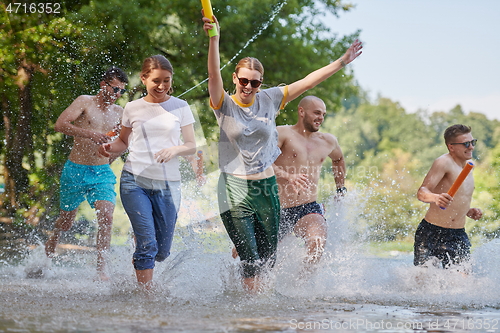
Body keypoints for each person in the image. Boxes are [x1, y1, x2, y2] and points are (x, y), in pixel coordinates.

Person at [202, 14, 362, 292]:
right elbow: (214, 75)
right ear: (235, 78)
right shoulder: (223, 103)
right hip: (235, 188)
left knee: (267, 258)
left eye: (255, 82)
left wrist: (342, 62)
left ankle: (251, 298)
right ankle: (254, 313)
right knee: (252, 260)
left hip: (266, 189)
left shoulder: (271, 98)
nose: (249, 87)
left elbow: (308, 82)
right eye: (244, 81)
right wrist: (214, 38)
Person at [99, 55, 196, 289]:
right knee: (148, 245)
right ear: (143, 79)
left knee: (161, 252)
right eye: (156, 81)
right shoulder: (132, 107)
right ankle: (146, 297)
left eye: (167, 80)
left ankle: (142, 244)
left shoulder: (181, 107)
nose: (162, 86)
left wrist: (174, 149)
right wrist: (111, 148)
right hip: (135, 182)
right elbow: (123, 142)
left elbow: (192, 145)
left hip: (168, 186)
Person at [45, 67, 128, 281]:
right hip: (75, 170)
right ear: (104, 84)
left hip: (101, 172)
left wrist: (109, 159)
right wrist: (91, 134)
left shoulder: (120, 113)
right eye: (115, 88)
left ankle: (102, 269)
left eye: (121, 91)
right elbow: (60, 124)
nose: (117, 94)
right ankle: (51, 245)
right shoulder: (84, 101)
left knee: (107, 215)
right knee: (66, 222)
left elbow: (124, 144)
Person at [273, 96, 346, 268]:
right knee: (256, 261)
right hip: (274, 208)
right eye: (317, 113)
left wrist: (340, 188)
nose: (321, 117)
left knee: (317, 241)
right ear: (301, 112)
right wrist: (287, 176)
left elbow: (339, 159)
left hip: (307, 207)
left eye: (323, 114)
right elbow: (262, 162)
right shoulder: (282, 133)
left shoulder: (328, 141)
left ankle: (300, 288)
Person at [414, 124, 482, 269]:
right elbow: (422, 192)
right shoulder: (443, 162)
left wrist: (468, 210)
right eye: (466, 144)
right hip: (431, 232)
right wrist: (435, 198)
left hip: (457, 234)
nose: (471, 147)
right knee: (422, 285)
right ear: (451, 147)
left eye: (472, 142)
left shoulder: (470, 166)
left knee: (462, 283)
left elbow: (459, 198)